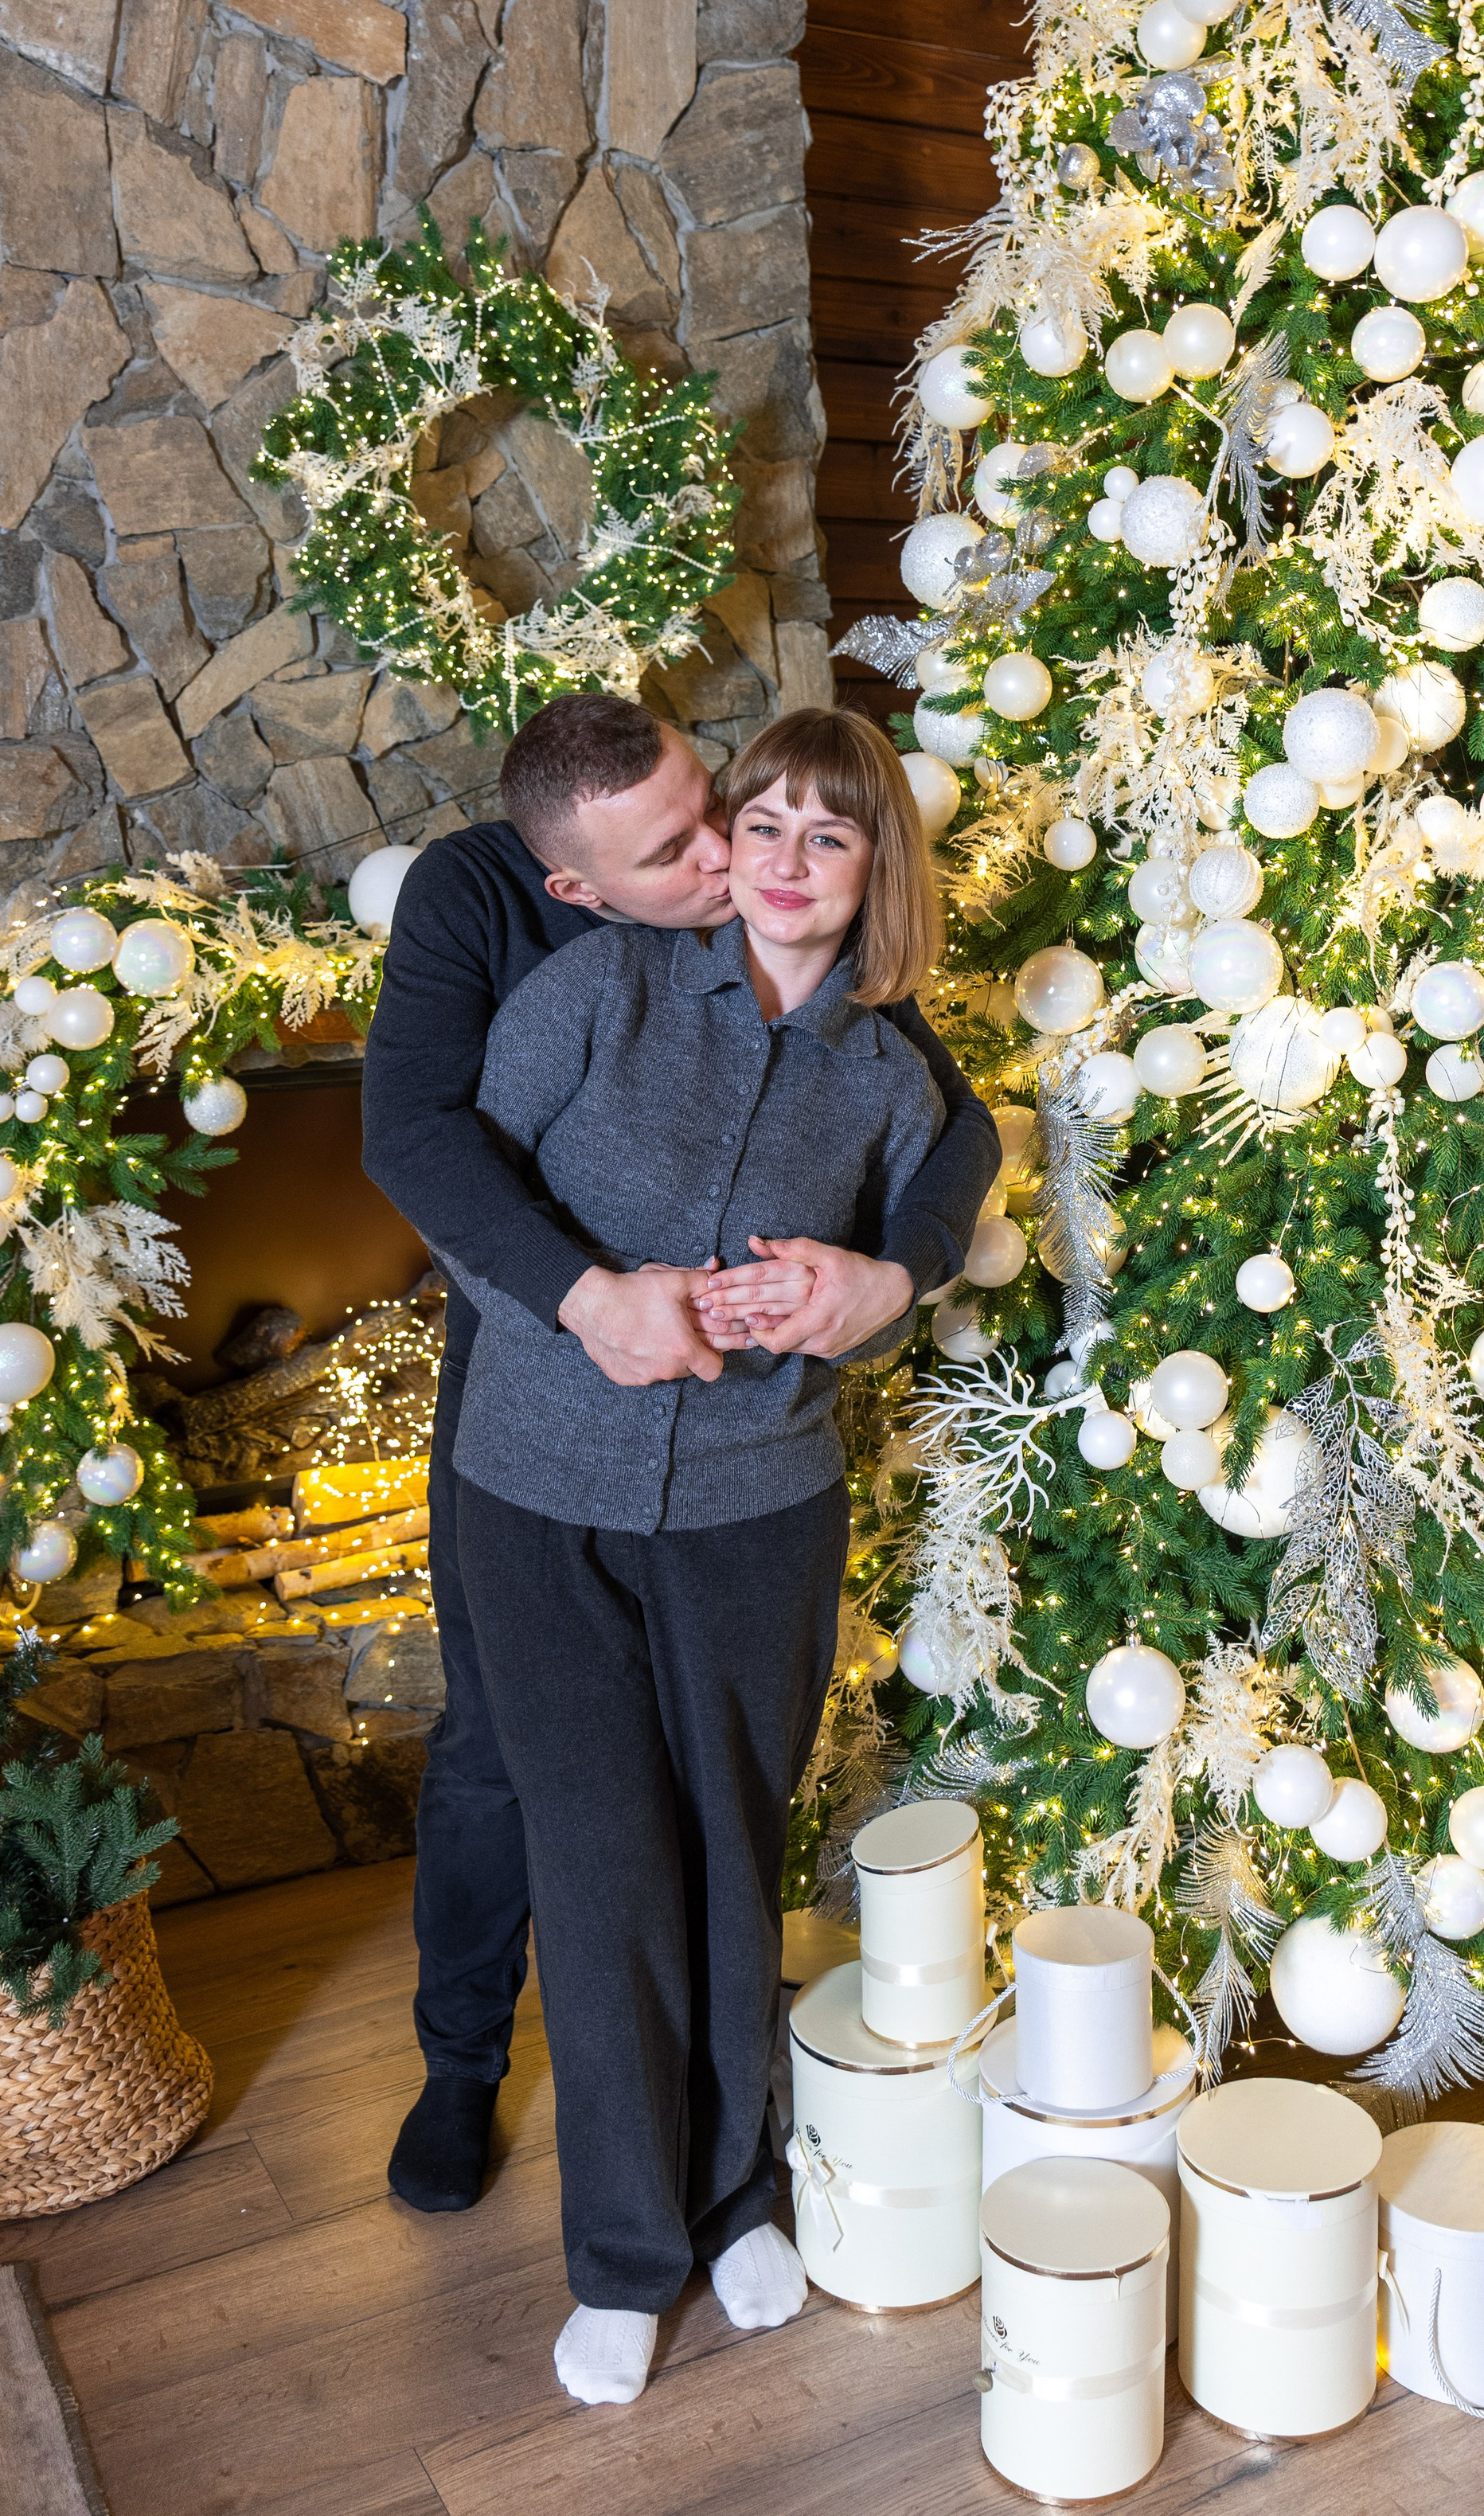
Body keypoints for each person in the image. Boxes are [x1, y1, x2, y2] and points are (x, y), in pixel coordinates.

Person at [360, 695, 999, 2225]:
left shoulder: (768, 895)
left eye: (731, 804)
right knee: (500, 1752)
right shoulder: (496, 910)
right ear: (582, 889)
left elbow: (941, 1112)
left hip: (735, 1466)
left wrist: (885, 1279)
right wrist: (586, 1300)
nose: (734, 852)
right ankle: (462, 2064)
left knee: (708, 1820)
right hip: (526, 1348)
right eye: (691, 845)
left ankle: (725, 2166)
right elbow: (416, 1138)